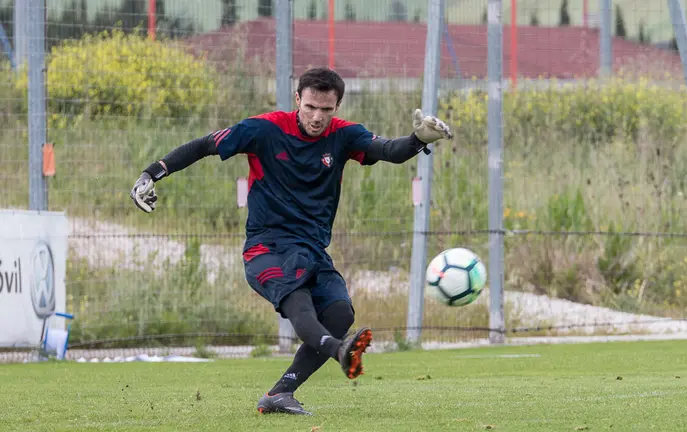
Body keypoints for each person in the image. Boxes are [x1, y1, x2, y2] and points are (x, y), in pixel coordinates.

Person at [130, 67, 453, 415]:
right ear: (298, 99)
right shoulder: (264, 129)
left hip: (312, 250)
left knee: (340, 313)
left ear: (337, 107)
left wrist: (418, 139)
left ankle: (280, 394)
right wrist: (151, 173)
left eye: (326, 110)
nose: (317, 117)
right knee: (299, 301)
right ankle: (339, 351)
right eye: (311, 106)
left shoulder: (344, 136)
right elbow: (206, 144)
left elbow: (388, 150)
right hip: (266, 248)